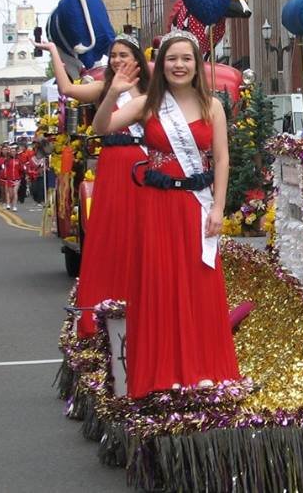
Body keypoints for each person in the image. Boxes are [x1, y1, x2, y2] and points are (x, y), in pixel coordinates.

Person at [92, 30, 239, 396]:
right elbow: (102, 127)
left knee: (198, 285)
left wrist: (218, 207)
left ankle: (203, 367)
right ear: (162, 65)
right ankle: (163, 373)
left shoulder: (213, 107)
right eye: (172, 58)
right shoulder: (148, 103)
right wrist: (113, 90)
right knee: (159, 285)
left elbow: (221, 159)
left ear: (196, 64)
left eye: (186, 59)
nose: (179, 65)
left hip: (196, 206)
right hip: (156, 207)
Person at [38, 34, 152, 338]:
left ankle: (143, 304)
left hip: (141, 164)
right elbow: (66, 89)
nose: (117, 60)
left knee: (140, 234)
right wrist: (54, 52)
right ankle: (104, 310)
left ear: (137, 60)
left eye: (124, 55)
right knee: (109, 234)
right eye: (113, 55)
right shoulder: (105, 89)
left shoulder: (152, 91)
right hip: (112, 163)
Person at [0, 145, 23, 211]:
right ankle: (8, 203)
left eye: (14, 151)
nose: (13, 152)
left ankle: (14, 206)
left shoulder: (19, 160)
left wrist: (21, 174)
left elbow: (21, 169)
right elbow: (3, 169)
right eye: (12, 151)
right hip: (9, 179)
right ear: (10, 152)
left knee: (15, 192)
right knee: (10, 194)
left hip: (17, 179)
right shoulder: (7, 160)